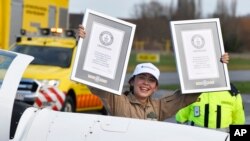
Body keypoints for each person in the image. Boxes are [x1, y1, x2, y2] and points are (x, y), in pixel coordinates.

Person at [78, 24, 230, 121]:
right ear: (132, 81)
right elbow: (95, 81)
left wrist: (217, 64)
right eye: (142, 78)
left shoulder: (159, 107)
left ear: (156, 87)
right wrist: (83, 43)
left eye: (151, 80)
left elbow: (187, 95)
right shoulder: (116, 100)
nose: (146, 83)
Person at [175, 83, 245, 132]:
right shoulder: (191, 91)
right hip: (195, 136)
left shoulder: (233, 93)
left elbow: (239, 120)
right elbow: (181, 117)